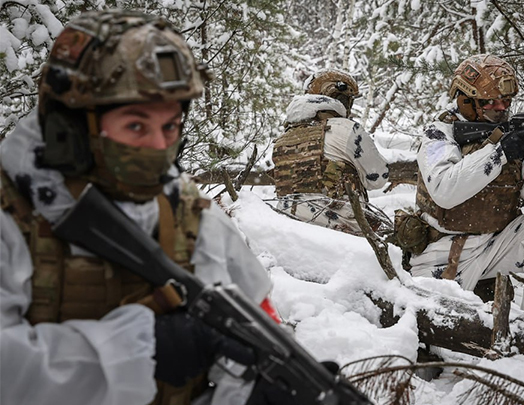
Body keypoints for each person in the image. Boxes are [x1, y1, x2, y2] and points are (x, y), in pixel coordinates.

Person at [0, 10, 284, 405]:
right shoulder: (11, 213)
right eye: (136, 126)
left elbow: (256, 320)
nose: (158, 147)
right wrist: (141, 346)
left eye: (170, 127)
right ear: (72, 127)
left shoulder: (186, 208)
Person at [403, 54, 524, 323]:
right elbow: (445, 190)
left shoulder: (518, 136)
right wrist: (498, 153)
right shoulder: (440, 133)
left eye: (506, 101)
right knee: (434, 340)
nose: (501, 108)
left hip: (494, 247)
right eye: (491, 101)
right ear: (466, 99)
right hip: (439, 252)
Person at [272, 69, 393, 238]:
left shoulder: (283, 139)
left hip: (288, 229)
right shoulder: (346, 129)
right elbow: (379, 177)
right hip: (339, 233)